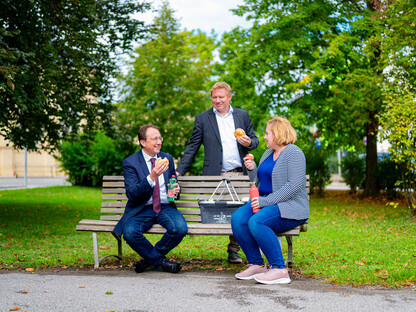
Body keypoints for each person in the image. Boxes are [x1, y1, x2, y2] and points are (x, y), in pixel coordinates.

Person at [176, 82, 259, 263]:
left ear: (229, 97)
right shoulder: (202, 118)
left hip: (240, 173)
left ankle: (234, 250)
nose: (217, 100)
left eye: (221, 97)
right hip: (215, 174)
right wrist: (180, 171)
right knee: (220, 212)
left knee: (241, 211)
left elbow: (254, 140)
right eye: (214, 97)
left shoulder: (242, 116)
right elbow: (193, 146)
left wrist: (248, 143)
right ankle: (235, 248)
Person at [231, 116, 309, 284]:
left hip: (289, 205)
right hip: (266, 201)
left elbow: (294, 185)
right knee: (238, 219)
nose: (265, 137)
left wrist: (266, 202)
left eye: (267, 133)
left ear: (277, 134)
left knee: (257, 222)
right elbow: (260, 181)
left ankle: (279, 269)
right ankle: (257, 264)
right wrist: (252, 169)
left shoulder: (294, 153)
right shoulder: (268, 153)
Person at [114, 124, 188, 274]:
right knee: (130, 233)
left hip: (165, 207)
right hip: (141, 208)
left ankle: (146, 261)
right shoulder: (130, 163)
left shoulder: (167, 158)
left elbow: (173, 183)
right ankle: (162, 263)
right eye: (154, 139)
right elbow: (132, 194)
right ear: (143, 142)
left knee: (180, 229)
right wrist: (151, 177)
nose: (159, 142)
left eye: (160, 138)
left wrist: (175, 191)